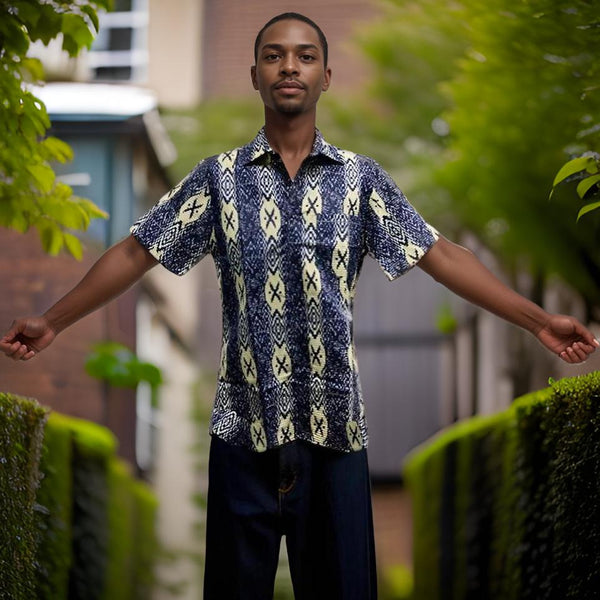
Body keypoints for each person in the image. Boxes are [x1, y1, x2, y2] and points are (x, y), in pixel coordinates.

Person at [1, 12, 598, 600]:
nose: (290, 66)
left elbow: (442, 256)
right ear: (255, 75)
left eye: (305, 56)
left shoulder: (362, 182)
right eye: (274, 55)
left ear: (326, 77)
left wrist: (541, 320)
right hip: (241, 437)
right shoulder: (216, 181)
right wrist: (52, 320)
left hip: (336, 436)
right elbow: (135, 254)